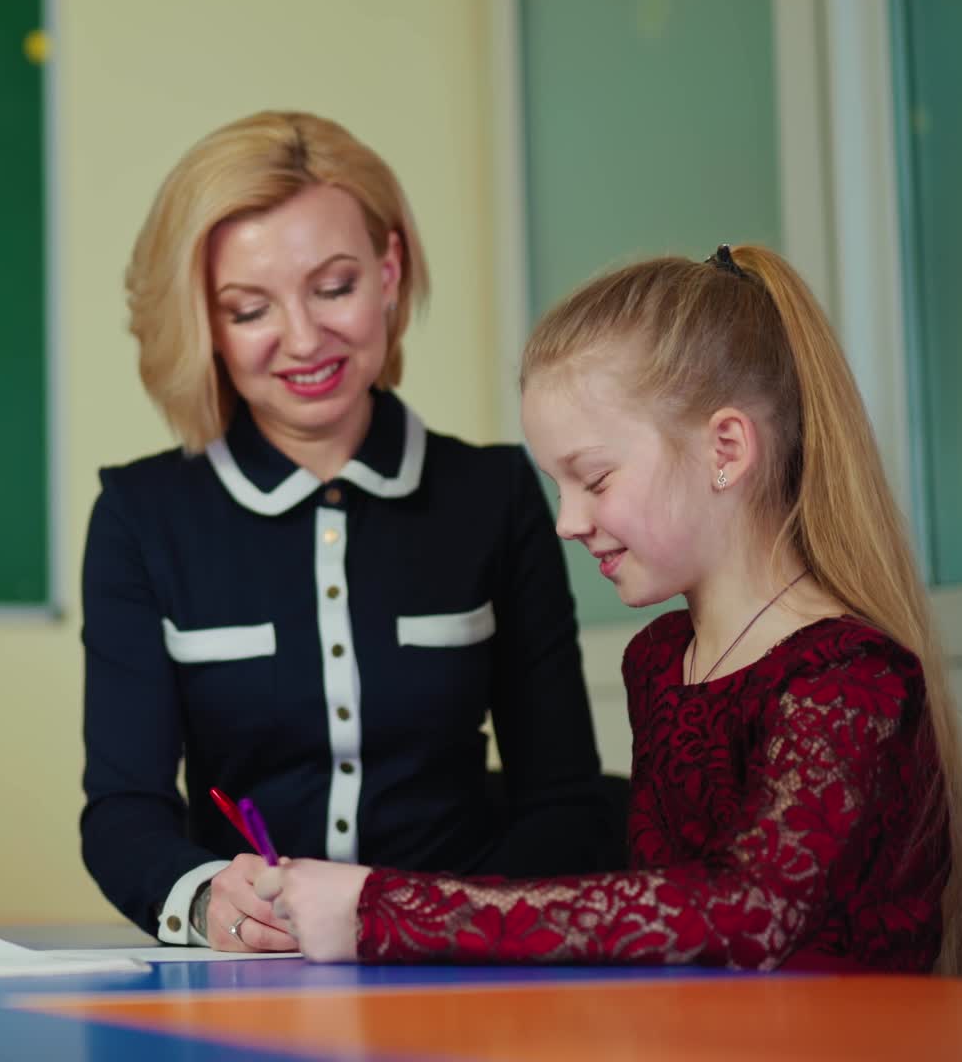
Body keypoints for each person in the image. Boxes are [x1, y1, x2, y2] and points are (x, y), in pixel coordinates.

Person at [255, 244, 962, 974]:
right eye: (557, 487)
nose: (567, 521)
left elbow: (752, 916)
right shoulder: (663, 659)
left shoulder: (849, 677)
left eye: (594, 479)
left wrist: (384, 910)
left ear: (726, 447)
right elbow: (660, 915)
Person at [79, 110, 609, 951]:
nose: (303, 338)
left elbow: (563, 800)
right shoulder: (140, 518)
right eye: (250, 308)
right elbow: (123, 815)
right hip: (248, 986)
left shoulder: (495, 494)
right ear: (206, 325)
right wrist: (204, 896)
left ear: (389, 272)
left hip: (464, 971)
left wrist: (442, 927)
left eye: (334, 288)